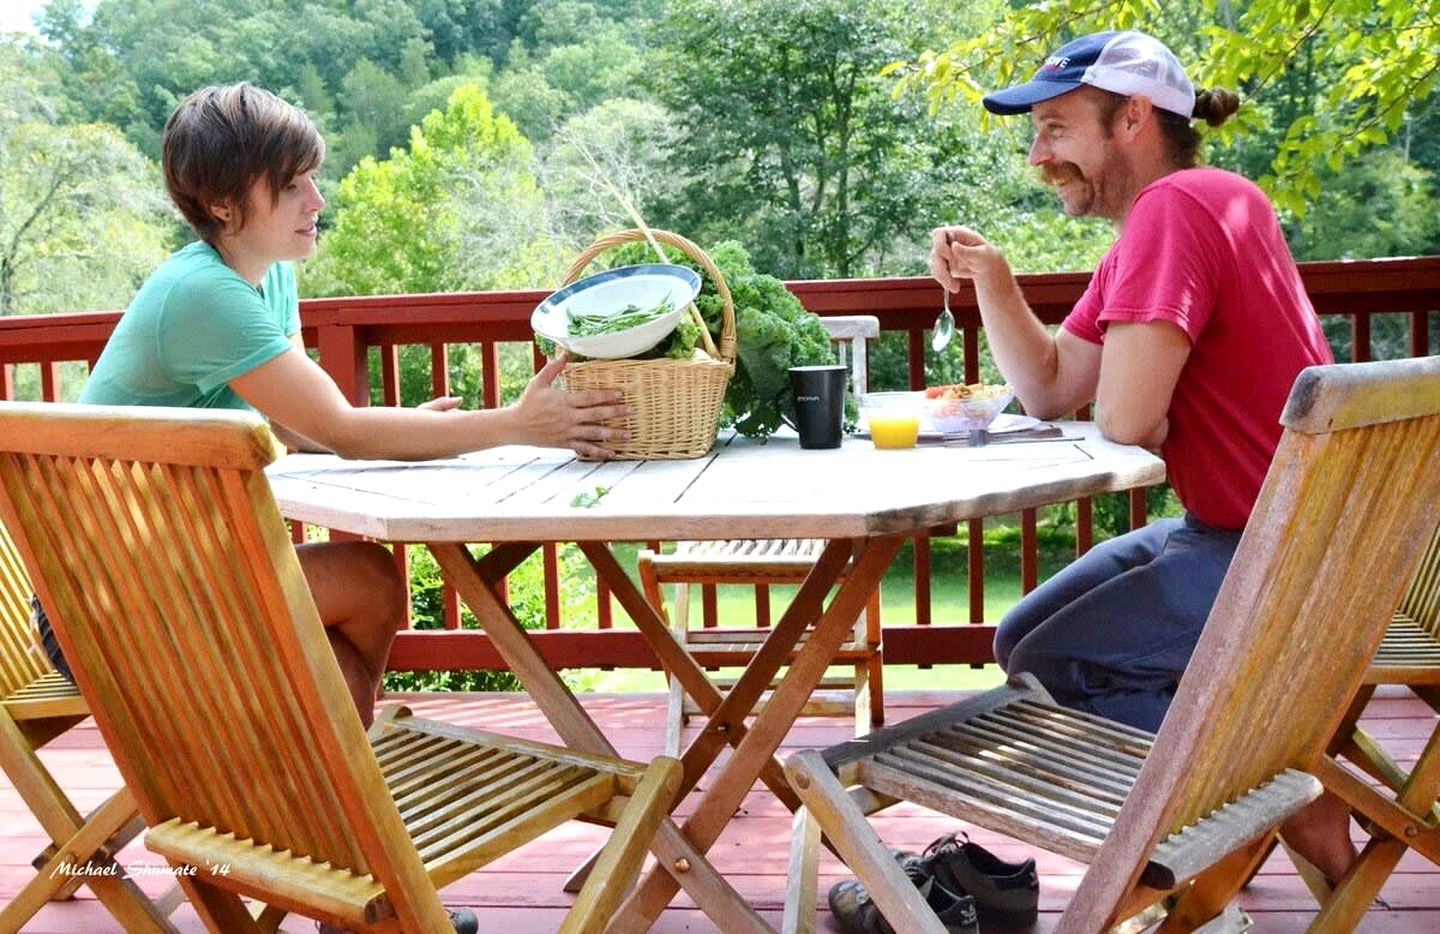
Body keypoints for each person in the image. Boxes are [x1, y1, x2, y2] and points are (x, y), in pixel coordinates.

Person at [34, 82, 630, 739]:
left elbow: (300, 421)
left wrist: (416, 432)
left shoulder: (268, 271)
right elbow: (340, 429)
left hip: (163, 578)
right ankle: (325, 787)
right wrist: (517, 424)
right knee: (367, 582)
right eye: (292, 187)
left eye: (313, 180)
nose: (316, 202)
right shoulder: (202, 293)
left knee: (359, 611)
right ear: (222, 203)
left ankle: (324, 787)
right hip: (101, 612)